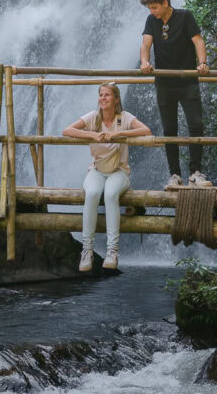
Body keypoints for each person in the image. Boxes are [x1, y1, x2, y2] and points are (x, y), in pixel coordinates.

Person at [63, 82, 151, 273]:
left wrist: (120, 133)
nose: (102, 98)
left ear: (116, 99)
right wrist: (92, 136)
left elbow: (146, 130)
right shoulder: (93, 118)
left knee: (111, 195)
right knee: (92, 193)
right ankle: (87, 250)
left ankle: (113, 250)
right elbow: (67, 130)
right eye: (101, 95)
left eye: (107, 95)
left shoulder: (125, 118)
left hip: (119, 172)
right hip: (96, 170)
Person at [139, 0, 210, 189]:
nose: (152, 12)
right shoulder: (151, 21)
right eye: (150, 8)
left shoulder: (185, 16)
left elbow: (198, 41)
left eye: (154, 7)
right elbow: (145, 45)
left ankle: (196, 173)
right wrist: (144, 62)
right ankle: (174, 175)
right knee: (169, 129)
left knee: (196, 124)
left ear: (165, 3)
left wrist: (203, 63)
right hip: (164, 83)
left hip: (187, 82)